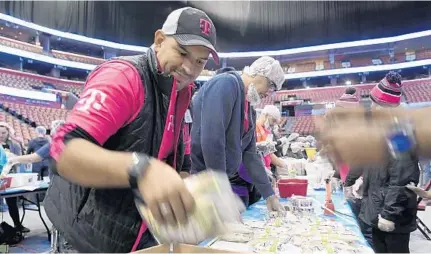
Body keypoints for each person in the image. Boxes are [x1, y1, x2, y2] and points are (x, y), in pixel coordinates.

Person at [44, 7, 219, 253]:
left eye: (200, 61)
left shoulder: (182, 92)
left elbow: (181, 163)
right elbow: (63, 150)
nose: (189, 69)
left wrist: (188, 198)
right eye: (181, 52)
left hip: (135, 233)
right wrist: (141, 169)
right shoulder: (123, 77)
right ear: (159, 40)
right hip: (85, 234)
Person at [191, 57, 285, 210]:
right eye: (271, 86)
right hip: (202, 180)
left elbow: (250, 154)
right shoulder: (226, 84)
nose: (269, 93)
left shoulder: (249, 108)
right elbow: (213, 140)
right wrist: (221, 192)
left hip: (216, 181)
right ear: (260, 74)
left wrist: (269, 195)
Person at [345, 72, 419, 253]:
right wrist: (348, 180)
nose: (371, 107)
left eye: (373, 103)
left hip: (392, 212)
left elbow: (403, 177)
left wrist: (389, 215)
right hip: (377, 205)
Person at [0, 122, 29, 233]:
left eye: (3, 132)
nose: (1, 135)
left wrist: (12, 158)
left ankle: (18, 225)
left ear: (8, 133)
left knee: (12, 203)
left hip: (10, 178)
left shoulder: (14, 145)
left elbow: (20, 160)